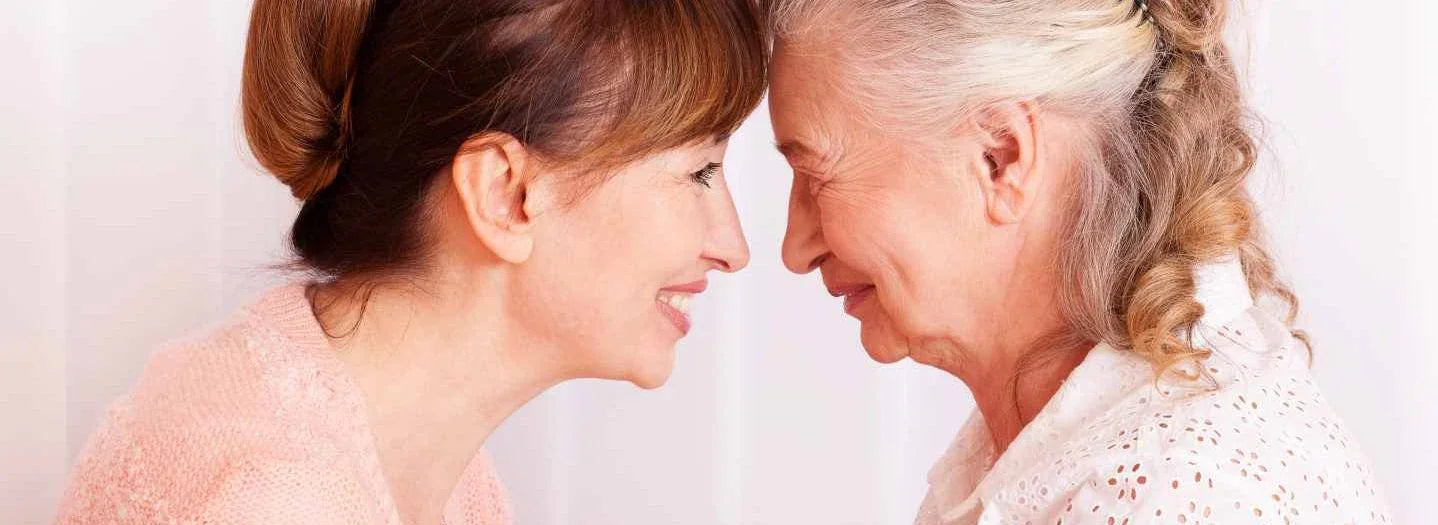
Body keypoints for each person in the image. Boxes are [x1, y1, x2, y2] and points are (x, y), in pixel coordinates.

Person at [55, 0, 766, 522]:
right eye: (700, 171)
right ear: (505, 193)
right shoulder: (278, 494)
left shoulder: (434, 471)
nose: (733, 247)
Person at [765, 0, 1391, 522]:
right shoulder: (1078, 453)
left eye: (814, 175)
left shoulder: (1184, 495)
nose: (796, 248)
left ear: (1001, 158)